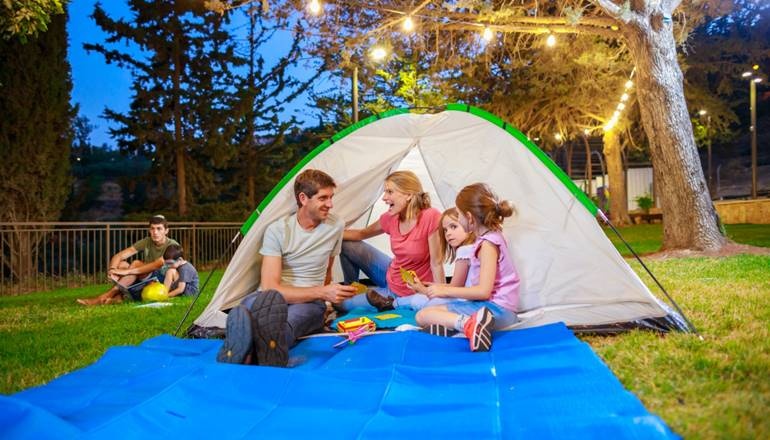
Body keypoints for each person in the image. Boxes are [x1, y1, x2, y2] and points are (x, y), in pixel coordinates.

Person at [217, 169, 357, 367]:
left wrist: (323, 298)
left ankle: (247, 352)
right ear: (303, 198)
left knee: (288, 322)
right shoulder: (278, 230)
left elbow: (327, 269)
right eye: (323, 198)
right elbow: (270, 287)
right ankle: (262, 352)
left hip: (309, 302)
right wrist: (324, 292)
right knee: (248, 308)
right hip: (271, 298)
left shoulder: (336, 226)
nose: (330, 204)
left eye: (331, 197)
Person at [415, 183, 520, 352]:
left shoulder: (487, 245)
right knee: (433, 311)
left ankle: (468, 325)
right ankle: (456, 326)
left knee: (423, 315)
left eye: (458, 215)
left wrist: (445, 291)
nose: (458, 218)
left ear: (469, 218)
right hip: (499, 311)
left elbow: (483, 292)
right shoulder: (492, 237)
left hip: (497, 312)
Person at [339, 170, 444, 312]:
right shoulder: (390, 217)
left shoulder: (430, 217)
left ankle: (391, 301)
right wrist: (327, 234)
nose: (384, 198)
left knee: (340, 305)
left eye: (389, 192)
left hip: (407, 289)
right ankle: (351, 289)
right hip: (391, 271)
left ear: (408, 195)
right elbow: (360, 234)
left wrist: (442, 299)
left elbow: (436, 263)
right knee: (347, 245)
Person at [77, 215, 179, 306]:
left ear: (166, 231)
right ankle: (119, 298)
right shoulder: (147, 241)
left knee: (135, 264)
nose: (155, 232)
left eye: (159, 229)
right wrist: (112, 269)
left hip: (162, 281)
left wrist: (126, 271)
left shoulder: (172, 245)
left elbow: (156, 265)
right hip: (147, 276)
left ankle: (105, 296)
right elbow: (119, 255)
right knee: (122, 264)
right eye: (152, 229)